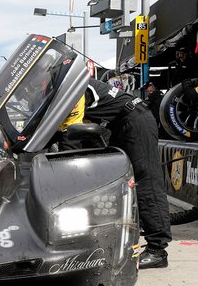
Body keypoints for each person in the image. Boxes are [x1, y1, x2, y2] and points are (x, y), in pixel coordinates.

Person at [62, 78, 173, 269]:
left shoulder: (74, 87)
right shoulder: (65, 87)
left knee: (146, 182)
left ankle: (157, 251)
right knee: (118, 184)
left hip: (135, 121)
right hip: (118, 125)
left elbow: (70, 133)